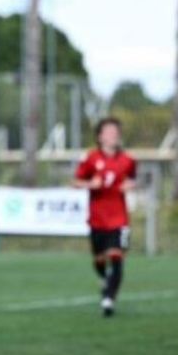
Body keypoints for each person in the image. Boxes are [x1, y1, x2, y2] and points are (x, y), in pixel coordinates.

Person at [73, 117, 136, 318]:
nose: (113, 135)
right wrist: (90, 184)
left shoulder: (128, 160)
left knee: (116, 256)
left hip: (120, 219)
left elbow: (132, 178)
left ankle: (108, 299)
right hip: (97, 219)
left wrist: (130, 185)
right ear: (100, 137)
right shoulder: (91, 158)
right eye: (109, 131)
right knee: (99, 260)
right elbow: (76, 181)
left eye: (115, 131)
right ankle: (105, 278)